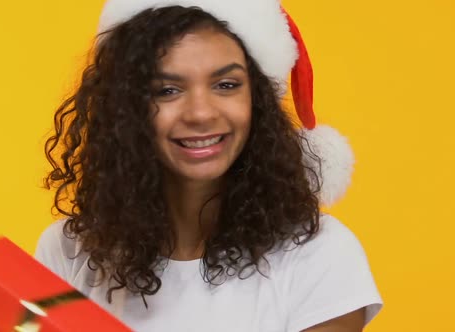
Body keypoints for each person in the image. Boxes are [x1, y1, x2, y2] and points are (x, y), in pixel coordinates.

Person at [35, 1, 382, 331]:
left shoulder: (321, 255)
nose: (201, 113)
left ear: (257, 101)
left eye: (226, 85)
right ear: (127, 110)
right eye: (167, 90)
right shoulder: (67, 252)